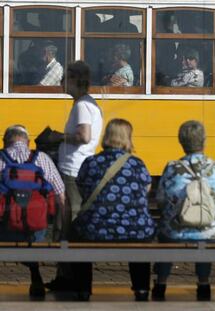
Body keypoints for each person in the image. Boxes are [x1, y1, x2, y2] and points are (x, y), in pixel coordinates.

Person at [70, 119, 155, 301]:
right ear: (128, 138)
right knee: (141, 238)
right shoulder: (137, 164)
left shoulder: (91, 162)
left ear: (106, 136)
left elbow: (81, 188)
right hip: (135, 230)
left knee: (76, 234)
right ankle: (141, 289)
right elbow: (146, 190)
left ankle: (83, 289)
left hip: (95, 229)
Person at [152, 120, 215, 301]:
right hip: (211, 231)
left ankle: (161, 284)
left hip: (175, 231)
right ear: (204, 141)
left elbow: (161, 201)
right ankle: (204, 284)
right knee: (205, 235)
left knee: (165, 233)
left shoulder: (172, 168)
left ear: (181, 141)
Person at [46, 60, 103, 291]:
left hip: (72, 170)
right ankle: (67, 275)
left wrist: (57, 137)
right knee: (67, 222)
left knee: (68, 223)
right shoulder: (87, 104)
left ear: (75, 80)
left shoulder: (82, 105)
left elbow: (84, 136)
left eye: (65, 78)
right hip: (75, 168)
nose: (61, 83)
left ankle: (69, 277)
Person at [0, 125, 65, 298]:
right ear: (28, 142)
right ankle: (35, 276)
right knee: (34, 237)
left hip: (5, 227)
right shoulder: (41, 158)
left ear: (5, 142)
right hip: (35, 228)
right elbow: (60, 193)